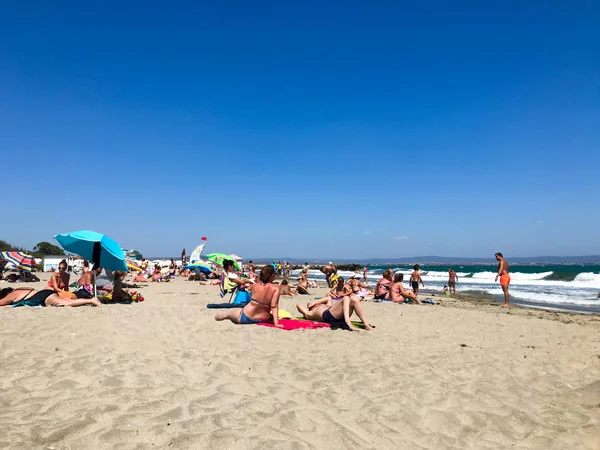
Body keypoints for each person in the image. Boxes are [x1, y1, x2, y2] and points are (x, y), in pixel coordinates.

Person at [214, 265, 282, 327]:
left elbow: (252, 296)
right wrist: (276, 323)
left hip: (246, 316)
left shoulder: (255, 285)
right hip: (263, 319)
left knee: (229, 314)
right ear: (272, 275)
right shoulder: (276, 288)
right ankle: (222, 316)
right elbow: (274, 306)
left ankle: (219, 316)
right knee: (234, 312)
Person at [296, 294, 373, 331]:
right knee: (346, 298)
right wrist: (309, 307)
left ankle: (365, 324)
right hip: (328, 316)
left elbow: (329, 298)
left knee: (353, 298)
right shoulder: (309, 313)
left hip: (337, 314)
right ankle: (347, 323)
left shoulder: (327, 305)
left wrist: (316, 301)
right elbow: (298, 305)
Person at [0, 287, 101, 307]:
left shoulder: (12, 294)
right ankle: (88, 301)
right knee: (66, 300)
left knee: (68, 303)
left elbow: (1, 302)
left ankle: (92, 300)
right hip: (44, 292)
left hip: (43, 296)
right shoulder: (19, 290)